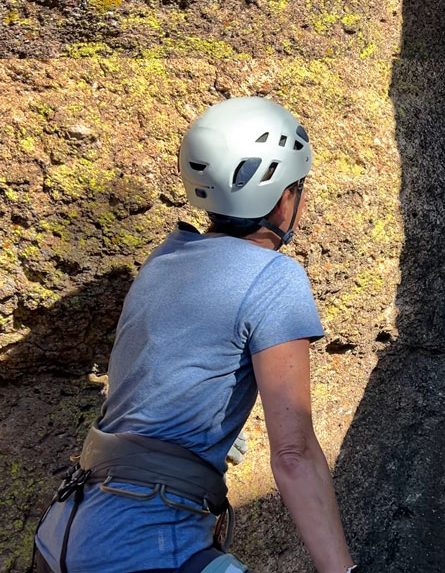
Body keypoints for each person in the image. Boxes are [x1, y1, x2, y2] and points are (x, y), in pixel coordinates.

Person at [33, 96, 359, 573]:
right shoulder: (275, 278)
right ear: (285, 197)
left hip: (63, 534)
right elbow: (294, 455)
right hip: (145, 546)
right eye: (298, 188)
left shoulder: (164, 261)